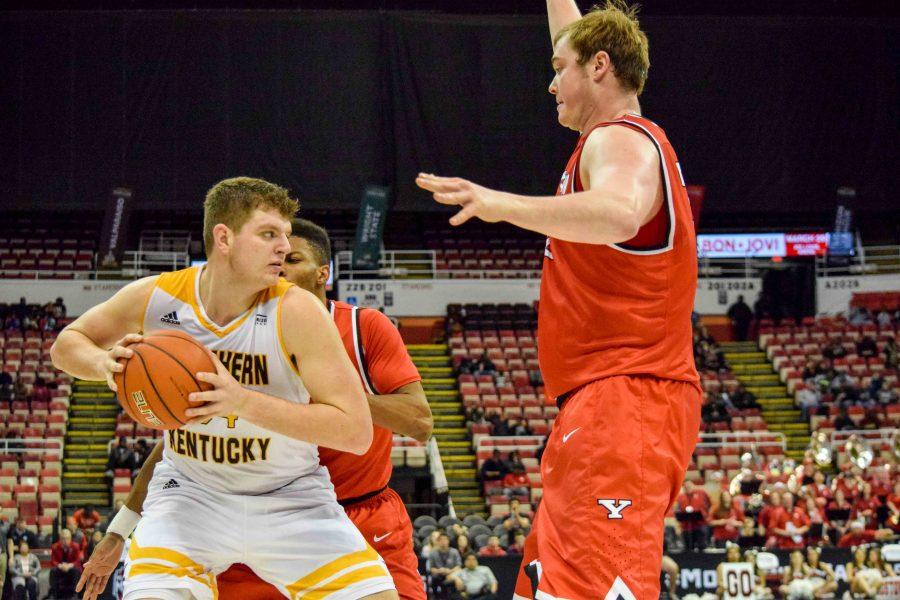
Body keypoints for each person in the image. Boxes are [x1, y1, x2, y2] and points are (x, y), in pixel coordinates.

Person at [417, 2, 702, 596]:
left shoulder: (621, 139)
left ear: (600, 67)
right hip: (603, 402)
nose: (550, 83)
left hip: (626, 400)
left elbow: (621, 212)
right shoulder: (615, 137)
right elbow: (571, 33)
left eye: (559, 68)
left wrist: (500, 205)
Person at [54, 178, 396, 600]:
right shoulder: (159, 298)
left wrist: (242, 400)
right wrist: (104, 363)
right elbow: (67, 344)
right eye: (269, 234)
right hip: (190, 498)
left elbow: (356, 431)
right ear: (224, 238)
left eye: (286, 237)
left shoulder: (297, 311)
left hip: (290, 496)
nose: (283, 248)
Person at [50, 528, 83, 599]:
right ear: (60, 539)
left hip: (71, 567)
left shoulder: (76, 546)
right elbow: (53, 561)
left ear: (71, 538)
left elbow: (78, 560)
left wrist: (69, 565)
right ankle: (54, 594)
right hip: (60, 567)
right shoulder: (54, 546)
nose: (65, 541)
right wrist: (60, 565)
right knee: (53, 571)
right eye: (63, 538)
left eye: (67, 538)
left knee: (76, 571)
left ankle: (75, 594)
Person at [427, 533, 462, 600]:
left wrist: (450, 571)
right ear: (438, 541)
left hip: (451, 574)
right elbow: (431, 568)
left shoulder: (454, 552)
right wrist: (439, 571)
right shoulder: (432, 553)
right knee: (435, 579)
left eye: (445, 539)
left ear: (448, 541)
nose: (443, 541)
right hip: (438, 575)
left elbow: (459, 566)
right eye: (441, 540)